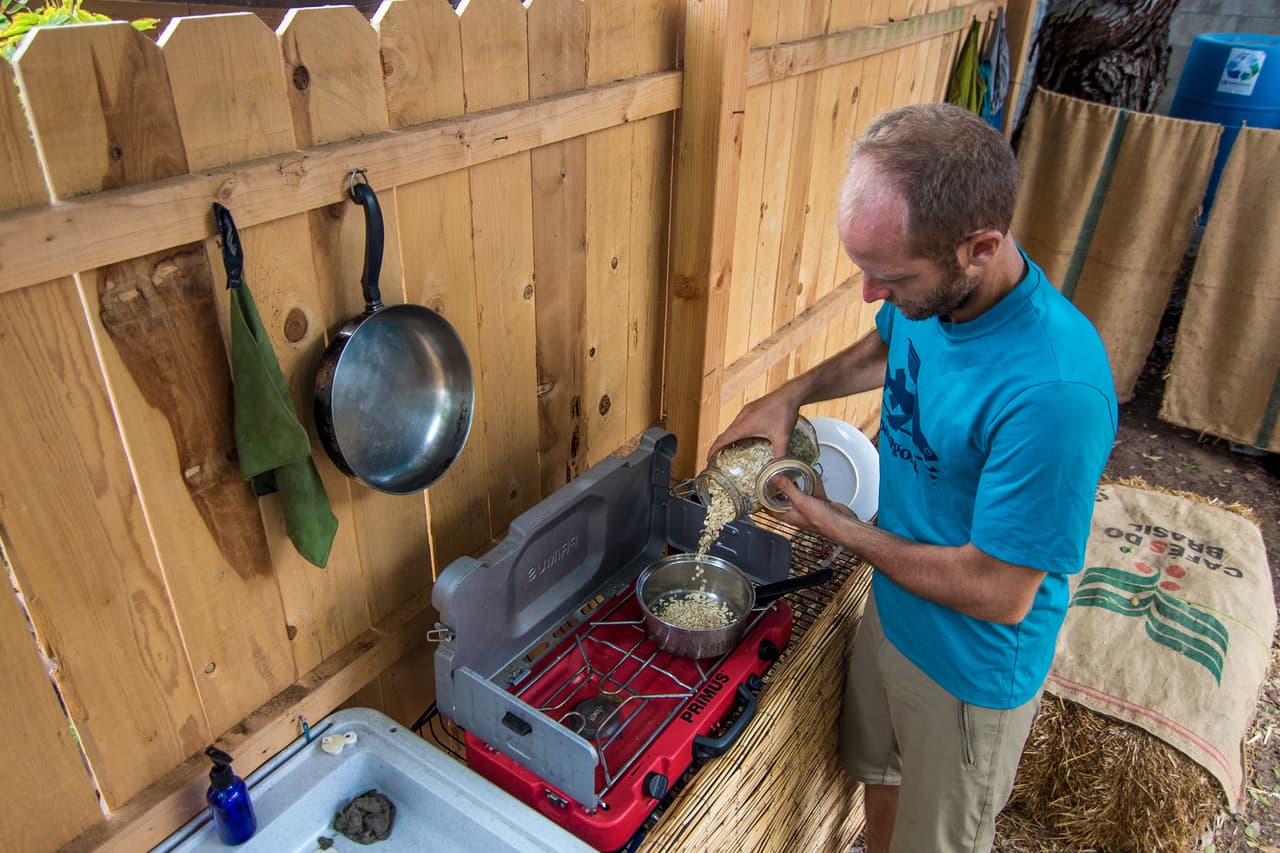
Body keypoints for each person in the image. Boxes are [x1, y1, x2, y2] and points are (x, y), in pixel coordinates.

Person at [707, 103, 1118, 853]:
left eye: (888, 276)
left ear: (980, 247)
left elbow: (999, 591)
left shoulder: (1055, 392)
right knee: (882, 787)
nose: (868, 292)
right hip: (895, 614)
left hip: (968, 673)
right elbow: (885, 346)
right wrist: (789, 393)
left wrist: (833, 524)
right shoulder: (933, 296)